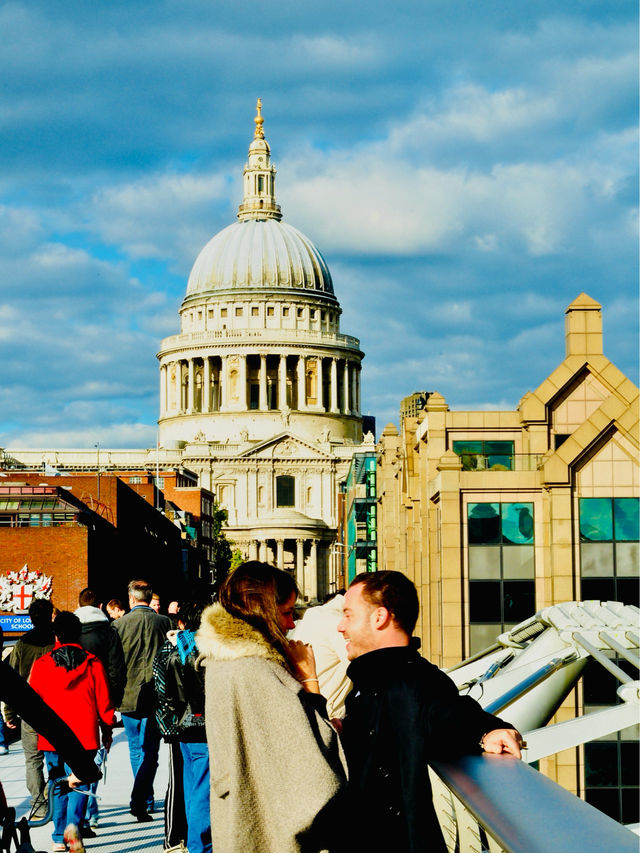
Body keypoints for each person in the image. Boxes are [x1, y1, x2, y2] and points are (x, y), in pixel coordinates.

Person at [337, 571, 523, 853]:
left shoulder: (410, 680)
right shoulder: (375, 679)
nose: (341, 626)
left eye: (348, 615)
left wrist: (488, 730)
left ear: (379, 617)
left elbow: (447, 710)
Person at [197, 561, 347, 853]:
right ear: (261, 610)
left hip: (242, 817)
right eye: (287, 613)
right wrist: (309, 678)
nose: (292, 624)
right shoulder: (257, 671)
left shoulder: (224, 660)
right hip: (268, 828)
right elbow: (315, 764)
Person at [29, 612, 114, 853]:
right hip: (84, 733)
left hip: (52, 734)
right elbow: (104, 701)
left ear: (56, 634)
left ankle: (57, 837)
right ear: (79, 634)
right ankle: (73, 827)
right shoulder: (93, 662)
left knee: (58, 783)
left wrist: (39, 731)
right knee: (81, 781)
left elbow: (34, 702)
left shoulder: (43, 664)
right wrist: (107, 729)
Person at [154, 598, 211, 853]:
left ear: (181, 621)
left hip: (181, 726)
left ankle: (190, 840)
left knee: (190, 787)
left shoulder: (171, 649)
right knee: (202, 790)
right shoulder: (208, 650)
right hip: (204, 726)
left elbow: (160, 688)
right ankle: (201, 845)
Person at [113, 579, 171, 821]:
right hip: (157, 697)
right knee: (152, 752)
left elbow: (114, 664)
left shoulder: (118, 625)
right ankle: (144, 797)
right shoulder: (164, 622)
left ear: (131, 599)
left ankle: (143, 797)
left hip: (128, 695)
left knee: (136, 749)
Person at [75, 587, 126, 831]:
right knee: (94, 757)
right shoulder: (109, 631)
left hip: (72, 700)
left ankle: (80, 814)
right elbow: (116, 668)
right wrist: (113, 702)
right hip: (98, 700)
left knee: (72, 759)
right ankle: (89, 812)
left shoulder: (70, 631)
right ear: (100, 605)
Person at [4, 597, 56, 817]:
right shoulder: (58, 639)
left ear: (31, 618)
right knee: (58, 757)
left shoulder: (23, 644)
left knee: (33, 760)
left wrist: (10, 712)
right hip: (57, 708)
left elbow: (11, 679)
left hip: (30, 708)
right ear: (50, 615)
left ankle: (38, 804)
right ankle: (59, 799)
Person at [290, 590, 351, 720]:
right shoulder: (335, 621)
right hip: (328, 717)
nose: (290, 623)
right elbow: (367, 672)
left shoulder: (313, 616)